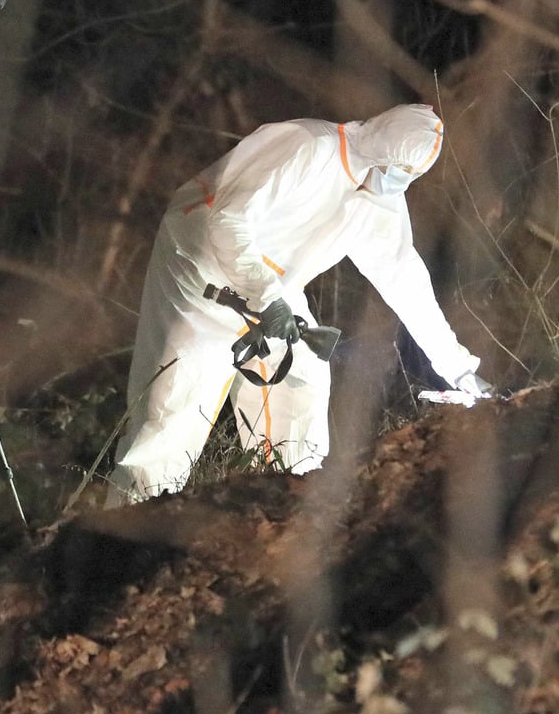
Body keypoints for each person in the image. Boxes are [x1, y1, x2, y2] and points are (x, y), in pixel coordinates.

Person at [106, 104, 491, 506]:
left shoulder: (378, 203)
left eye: (412, 177)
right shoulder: (305, 145)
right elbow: (229, 221)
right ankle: (129, 525)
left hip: (269, 284)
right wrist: (267, 297)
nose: (403, 182)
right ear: (383, 152)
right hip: (200, 268)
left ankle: (289, 503)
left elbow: (406, 283)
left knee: (301, 377)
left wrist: (458, 369)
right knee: (177, 406)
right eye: (403, 171)